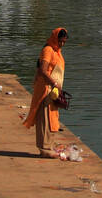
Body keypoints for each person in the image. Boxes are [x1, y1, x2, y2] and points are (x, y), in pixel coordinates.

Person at [23, 27, 68, 158]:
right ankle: (44, 148)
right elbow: (43, 70)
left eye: (64, 42)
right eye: (60, 41)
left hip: (52, 91)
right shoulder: (48, 50)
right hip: (45, 89)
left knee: (52, 117)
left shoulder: (57, 52)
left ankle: (49, 145)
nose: (62, 44)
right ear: (55, 39)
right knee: (44, 119)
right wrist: (54, 83)